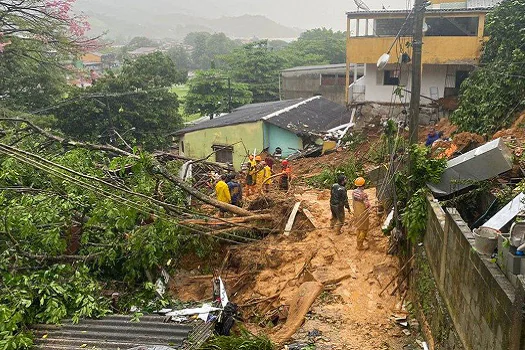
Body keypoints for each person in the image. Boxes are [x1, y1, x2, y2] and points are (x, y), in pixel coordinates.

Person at [353, 177, 371, 250]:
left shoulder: (353, 192)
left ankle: (360, 240)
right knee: (363, 229)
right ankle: (359, 246)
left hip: (356, 213)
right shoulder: (364, 195)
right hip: (363, 213)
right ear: (364, 185)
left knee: (358, 228)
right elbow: (367, 205)